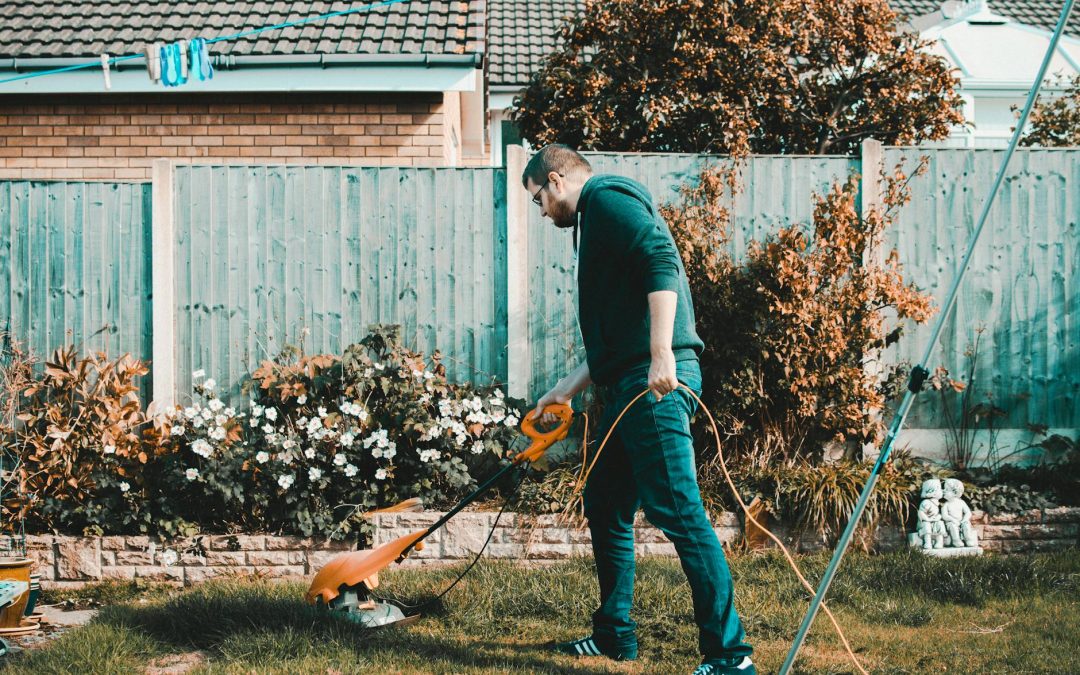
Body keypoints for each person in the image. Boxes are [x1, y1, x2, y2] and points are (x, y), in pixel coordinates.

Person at [524, 144, 755, 675]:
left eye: (538, 199)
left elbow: (659, 259)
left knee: (679, 513)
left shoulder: (607, 198)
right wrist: (566, 389)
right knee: (605, 501)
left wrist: (660, 353)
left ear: (556, 181)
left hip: (653, 383)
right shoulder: (594, 220)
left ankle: (730, 656)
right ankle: (613, 636)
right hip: (629, 379)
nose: (541, 213)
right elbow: (615, 341)